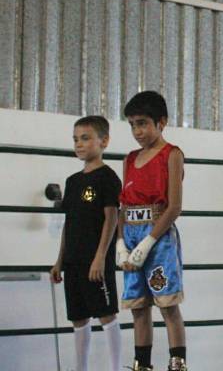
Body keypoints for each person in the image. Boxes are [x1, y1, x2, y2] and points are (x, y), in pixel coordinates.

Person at [117, 91, 188, 371]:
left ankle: (178, 363)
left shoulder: (172, 154)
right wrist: (121, 243)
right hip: (131, 234)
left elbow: (174, 207)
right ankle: (142, 365)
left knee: (167, 303)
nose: (138, 131)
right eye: (133, 124)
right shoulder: (129, 159)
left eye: (143, 123)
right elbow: (123, 205)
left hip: (158, 237)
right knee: (138, 306)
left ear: (161, 122)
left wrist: (147, 242)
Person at [50, 116, 122, 371]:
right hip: (73, 260)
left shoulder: (108, 177)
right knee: (78, 318)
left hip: (96, 261)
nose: (79, 144)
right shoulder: (72, 181)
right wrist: (59, 260)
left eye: (86, 138)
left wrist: (101, 256)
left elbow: (112, 218)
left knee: (106, 314)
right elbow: (68, 224)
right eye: (76, 139)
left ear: (104, 141)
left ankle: (115, 367)